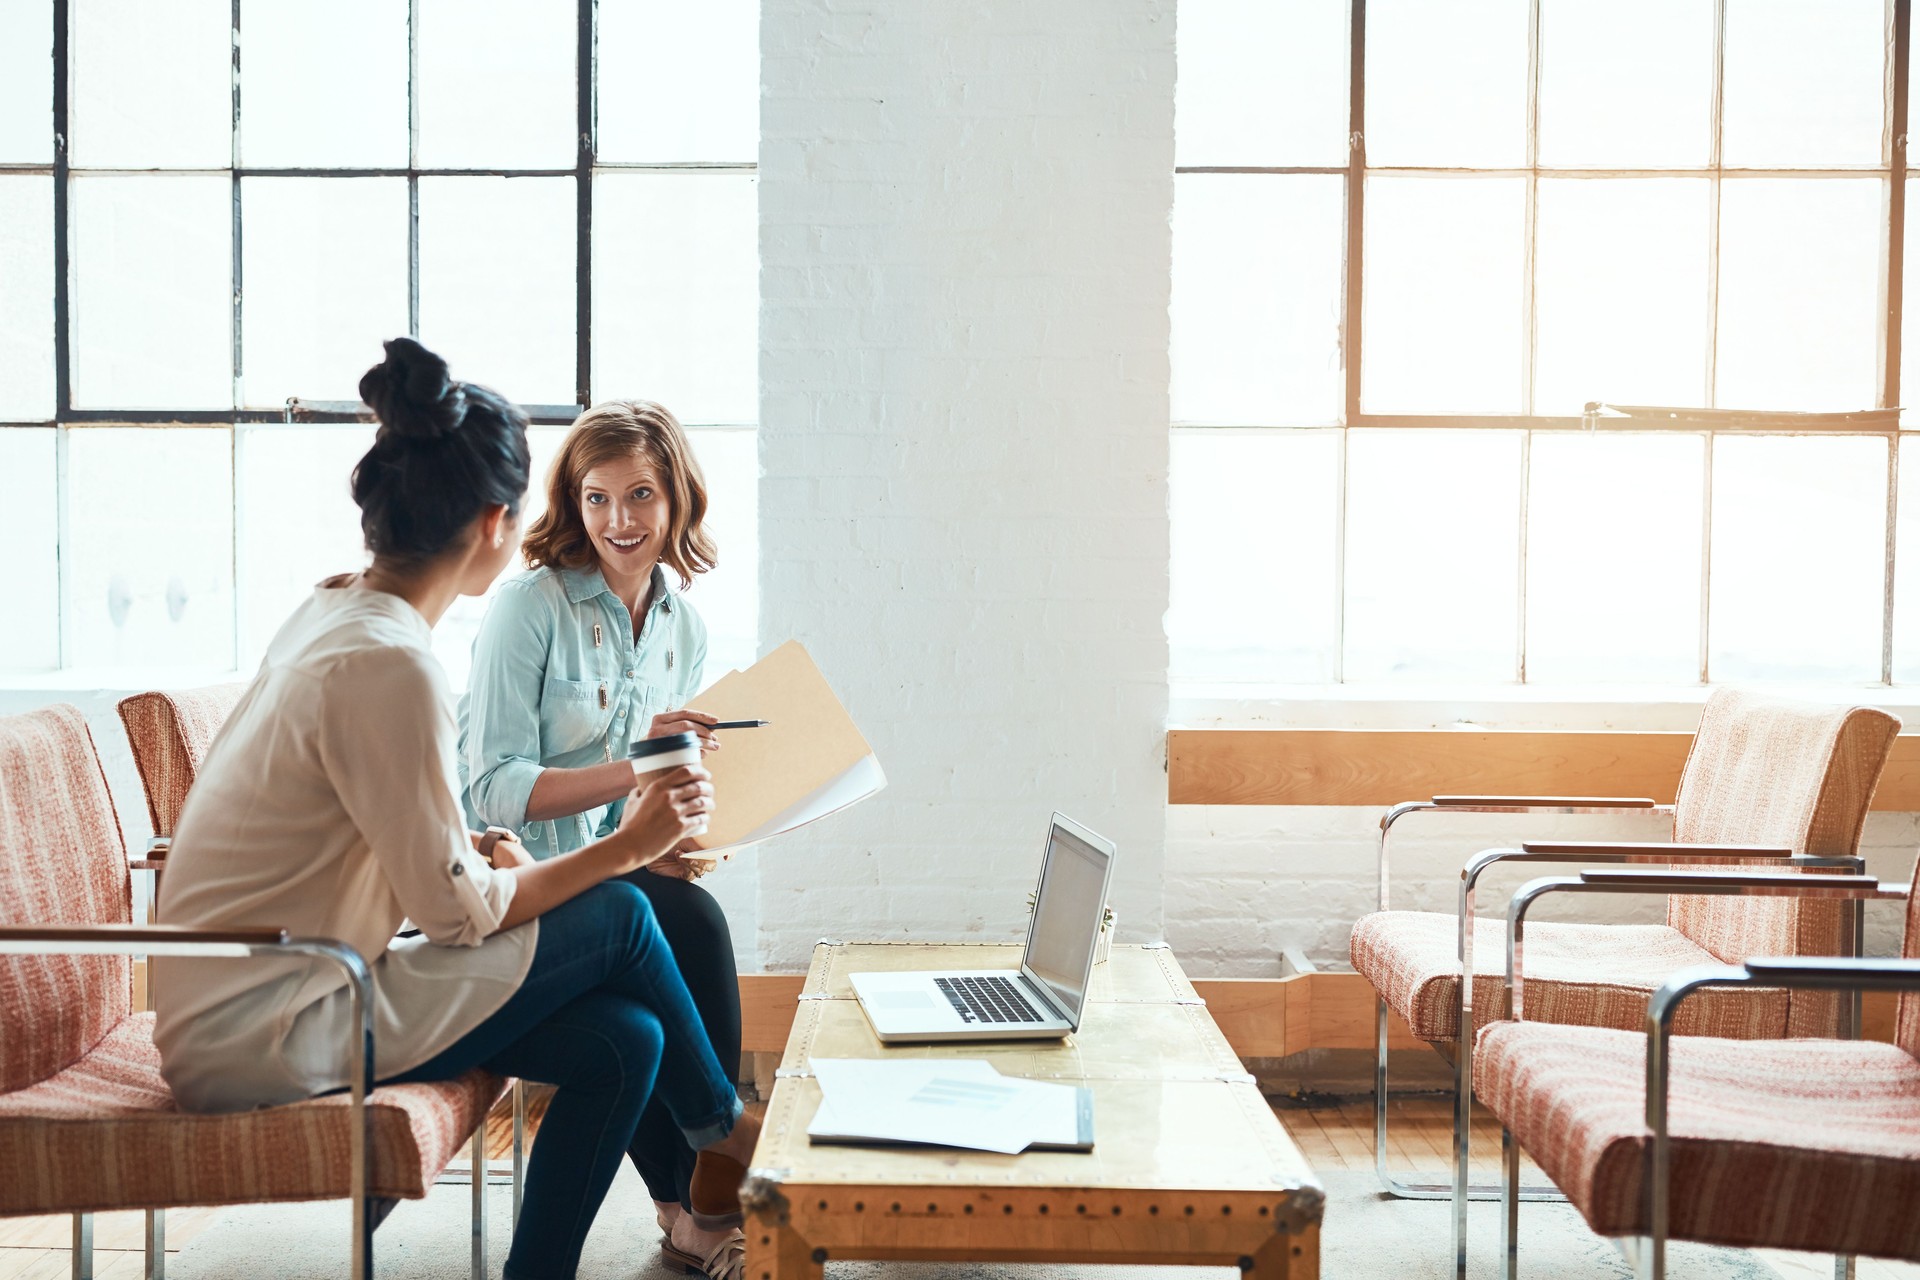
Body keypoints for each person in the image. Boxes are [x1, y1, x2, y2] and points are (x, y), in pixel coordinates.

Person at [152, 339, 755, 1280]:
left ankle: (576, 1242)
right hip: (284, 1018)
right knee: (628, 911)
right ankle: (725, 1130)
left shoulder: (339, 612)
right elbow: (453, 915)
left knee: (623, 1039)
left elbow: (374, 833)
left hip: (264, 996)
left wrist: (475, 847)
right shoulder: (392, 660)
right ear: (495, 522)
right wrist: (631, 843)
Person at [458, 400, 741, 1251]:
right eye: (597, 498)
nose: (620, 521)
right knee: (681, 928)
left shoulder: (681, 626)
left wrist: (676, 826)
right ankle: (706, 1186)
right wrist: (643, 770)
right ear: (573, 504)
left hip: (619, 879)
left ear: (677, 501)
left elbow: (632, 814)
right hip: (522, 887)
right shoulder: (528, 608)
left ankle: (693, 1200)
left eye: (642, 496)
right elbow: (491, 791)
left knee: (680, 913)